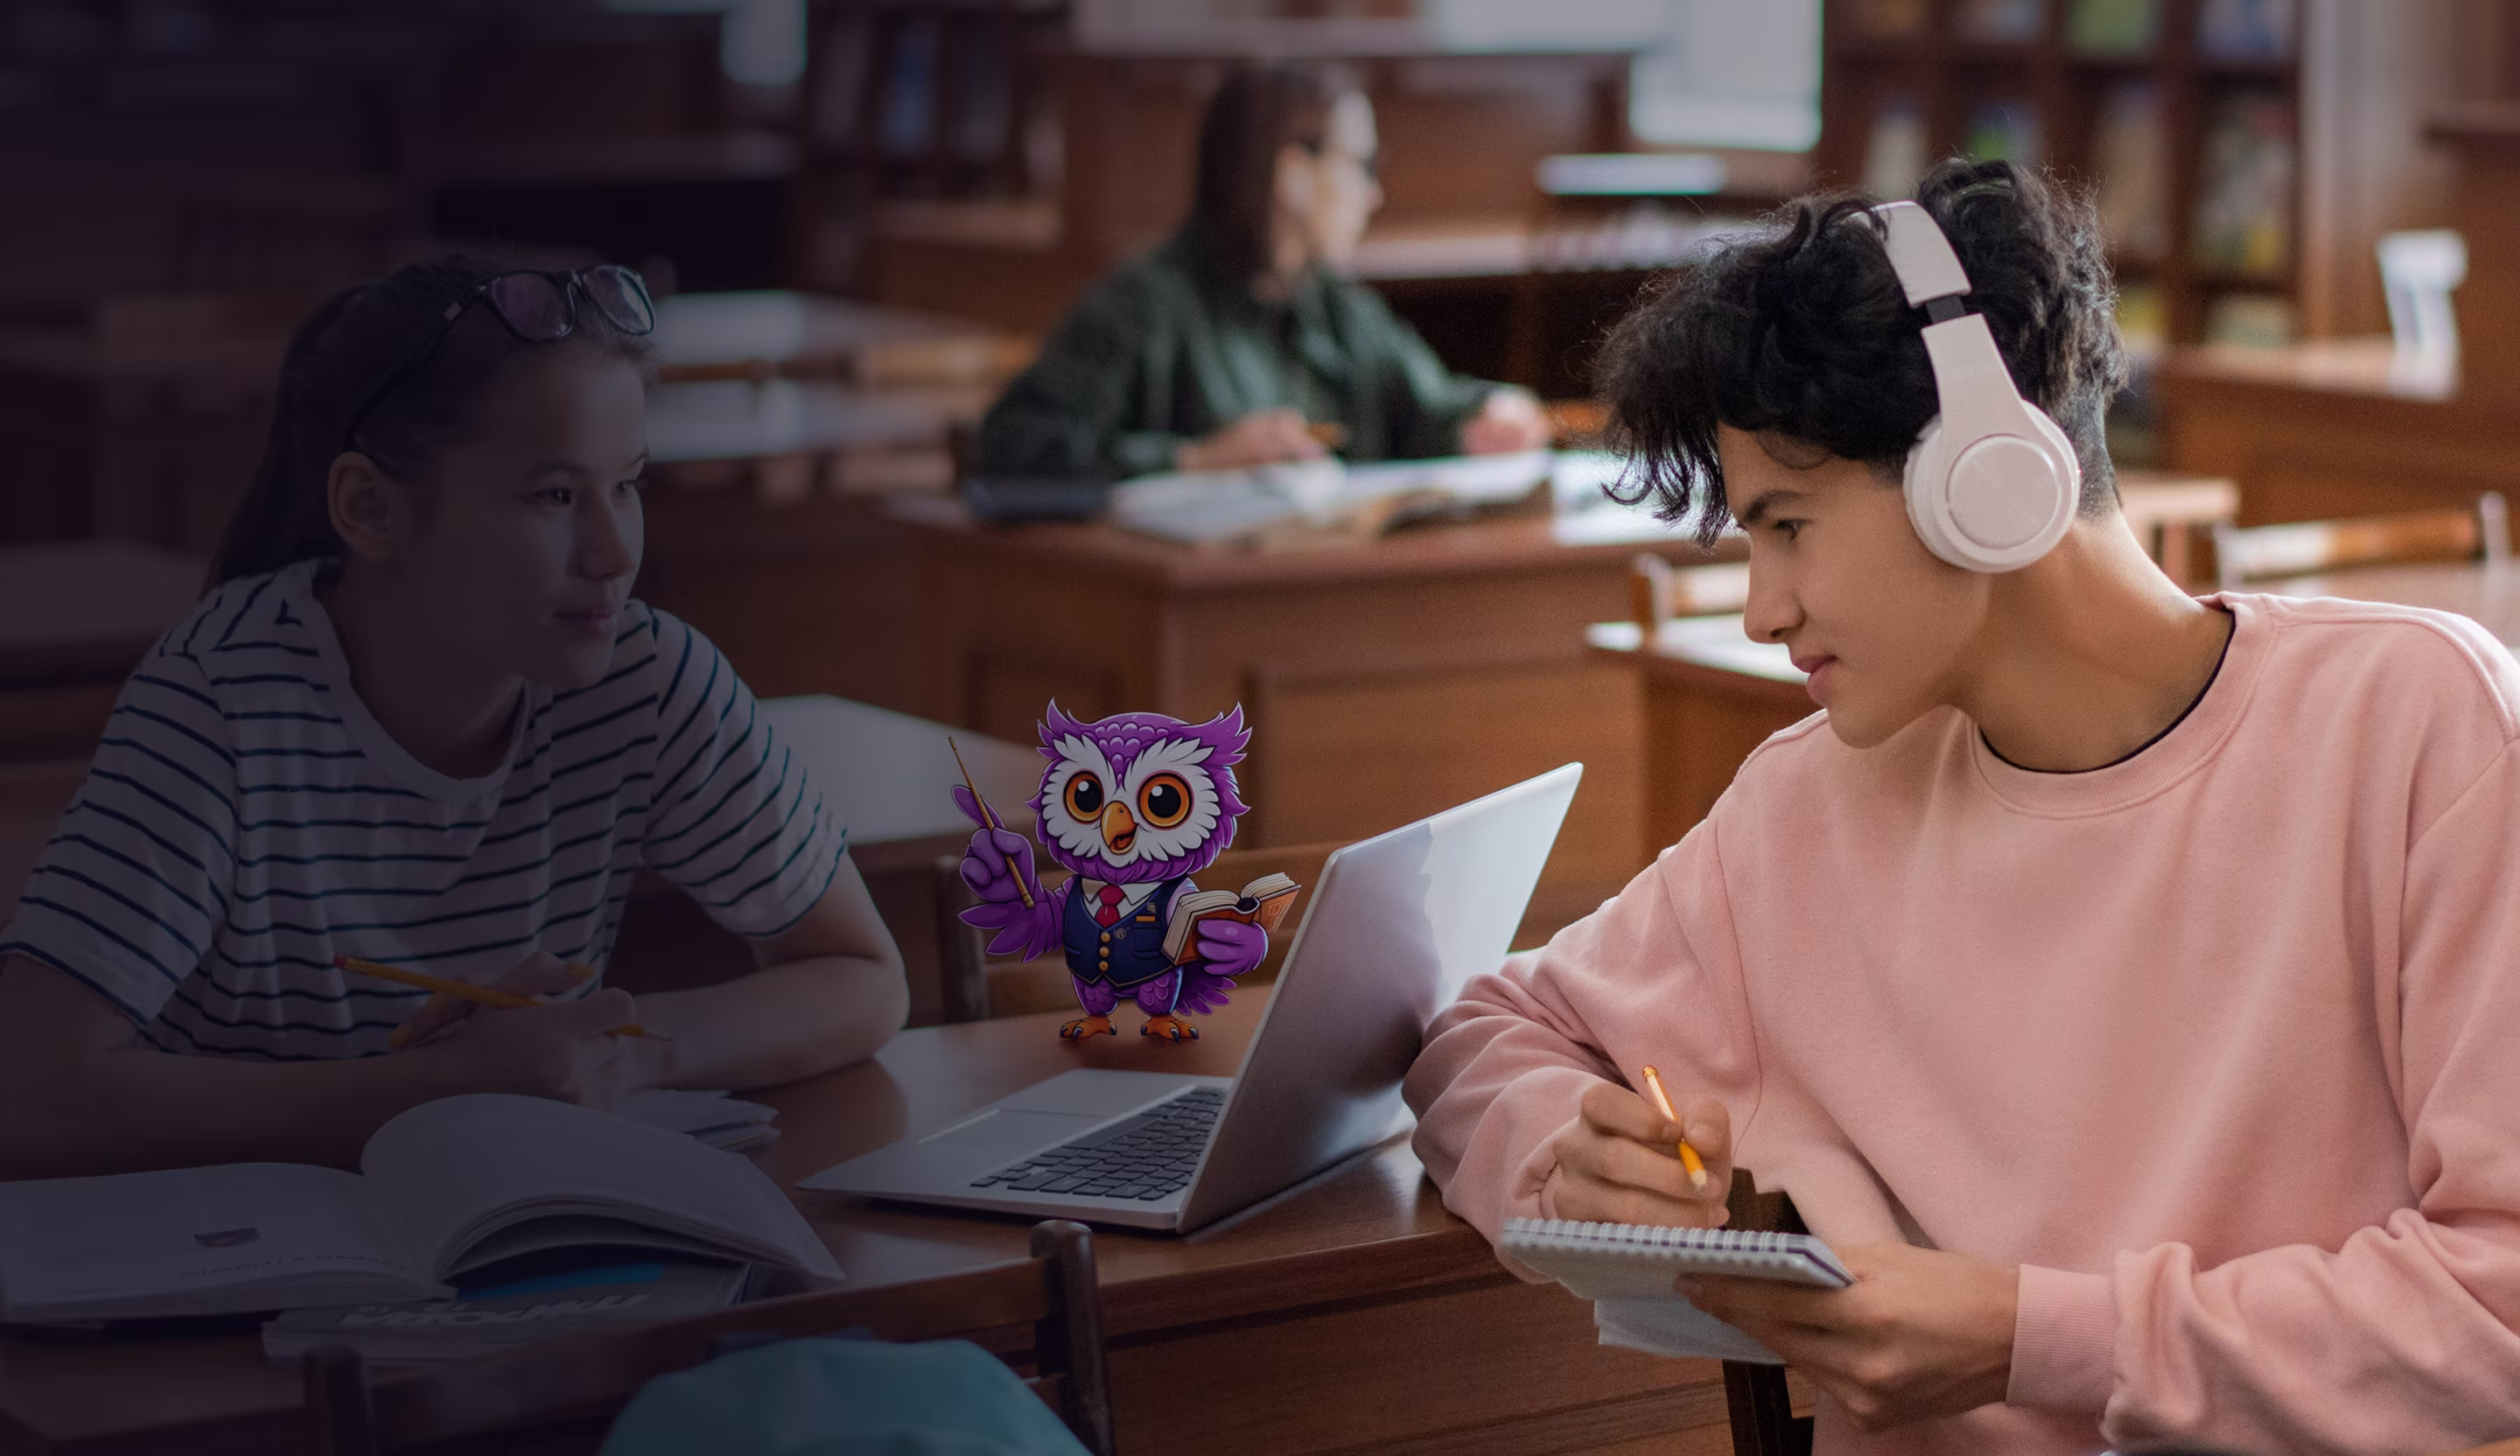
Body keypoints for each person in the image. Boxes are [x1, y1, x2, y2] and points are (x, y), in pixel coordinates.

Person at [1403, 158, 2520, 1453]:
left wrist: (2027, 1336)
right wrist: (1566, 1167)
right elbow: (1483, 1033)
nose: (1762, 609)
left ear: (1986, 477)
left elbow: (2501, 1306)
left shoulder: (2421, 729)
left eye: (1788, 524)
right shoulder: (1805, 807)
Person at [0, 259, 908, 1180]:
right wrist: (431, 1087)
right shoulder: (223, 696)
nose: (613, 551)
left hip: (509, 1234)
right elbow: (26, 1090)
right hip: (232, 1258)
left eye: (627, 485)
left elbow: (865, 978)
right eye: (553, 495)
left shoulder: (646, 679)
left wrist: (624, 1050)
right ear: (370, 508)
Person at [975, 61, 1550, 480]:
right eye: (1362, 165)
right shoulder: (1145, 304)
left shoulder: (1335, 304)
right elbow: (1010, 444)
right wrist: (1192, 459)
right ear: (1293, 174)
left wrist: (1486, 414)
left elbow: (1425, 407)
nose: (1373, 194)